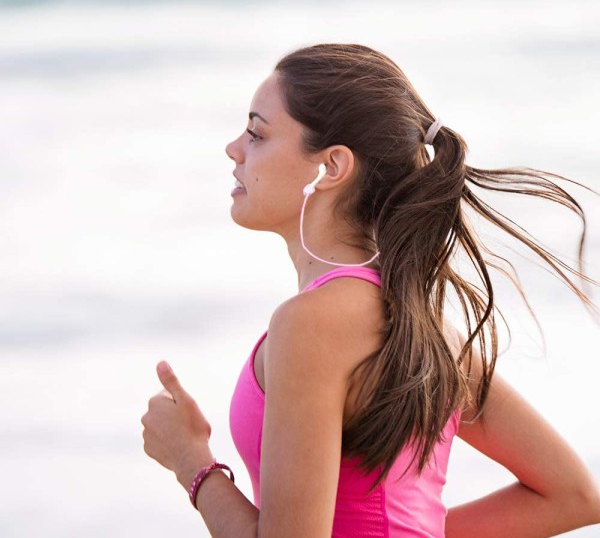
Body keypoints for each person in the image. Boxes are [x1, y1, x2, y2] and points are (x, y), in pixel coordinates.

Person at [141, 43, 600, 537]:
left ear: (332, 167)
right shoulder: (417, 319)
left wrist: (193, 462)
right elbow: (572, 496)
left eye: (256, 133)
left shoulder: (311, 323)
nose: (234, 148)